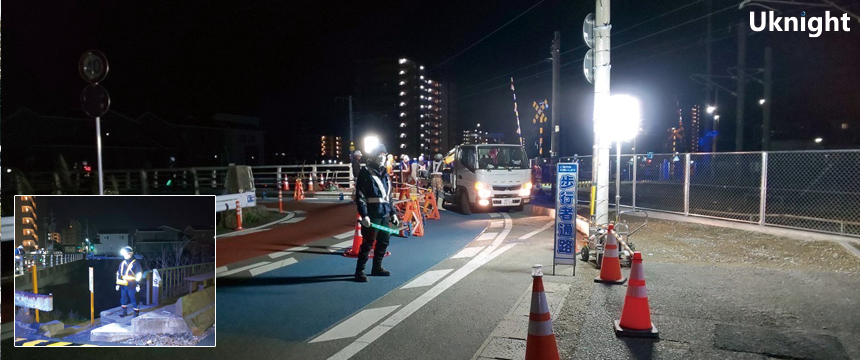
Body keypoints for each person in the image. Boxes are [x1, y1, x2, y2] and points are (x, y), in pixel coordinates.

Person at [354, 143, 401, 282]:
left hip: (385, 214)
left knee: (384, 241)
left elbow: (389, 196)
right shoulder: (366, 172)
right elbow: (360, 195)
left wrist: (393, 213)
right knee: (368, 243)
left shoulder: (385, 174)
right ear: (374, 156)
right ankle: (359, 271)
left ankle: (377, 267)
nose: (382, 157)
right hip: (372, 214)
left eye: (384, 155)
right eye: (380, 154)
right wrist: (364, 215)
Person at [115, 246, 143, 317]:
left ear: (130, 254)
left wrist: (138, 284)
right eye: (124, 254)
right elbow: (119, 273)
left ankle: (136, 314)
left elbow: (138, 274)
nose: (124, 255)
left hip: (132, 285)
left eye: (126, 254)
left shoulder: (135, 263)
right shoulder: (122, 263)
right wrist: (118, 284)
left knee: (134, 299)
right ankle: (124, 312)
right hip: (123, 285)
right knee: (123, 299)